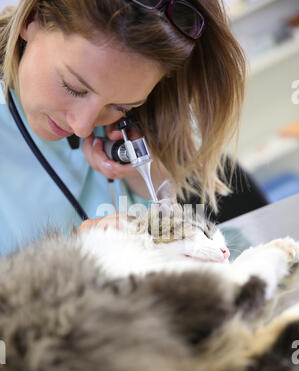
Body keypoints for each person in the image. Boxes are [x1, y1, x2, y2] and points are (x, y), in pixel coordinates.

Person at [0, 0, 246, 255]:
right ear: (31, 20)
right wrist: (77, 252)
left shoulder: (141, 121)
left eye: (120, 107)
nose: (82, 127)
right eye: (72, 87)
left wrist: (142, 173)